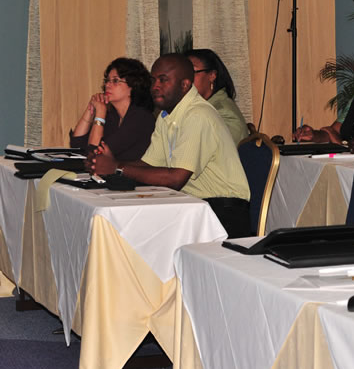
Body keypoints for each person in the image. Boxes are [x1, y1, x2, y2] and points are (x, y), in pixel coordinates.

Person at [89, 54, 251, 238]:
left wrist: (116, 168)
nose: (155, 86)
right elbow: (149, 164)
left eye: (163, 80)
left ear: (184, 85)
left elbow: (175, 179)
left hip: (224, 214)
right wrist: (110, 163)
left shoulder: (197, 115)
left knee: (132, 235)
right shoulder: (167, 116)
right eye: (153, 80)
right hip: (194, 206)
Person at [69, 57, 155, 161]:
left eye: (115, 81)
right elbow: (77, 145)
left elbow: (96, 155)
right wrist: (90, 109)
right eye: (107, 80)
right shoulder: (113, 116)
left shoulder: (141, 118)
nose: (107, 85)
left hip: (132, 176)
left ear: (133, 85)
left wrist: (100, 114)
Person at [185, 48, 250, 145]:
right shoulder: (193, 107)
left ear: (212, 75)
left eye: (191, 72)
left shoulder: (223, 113)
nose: (186, 80)